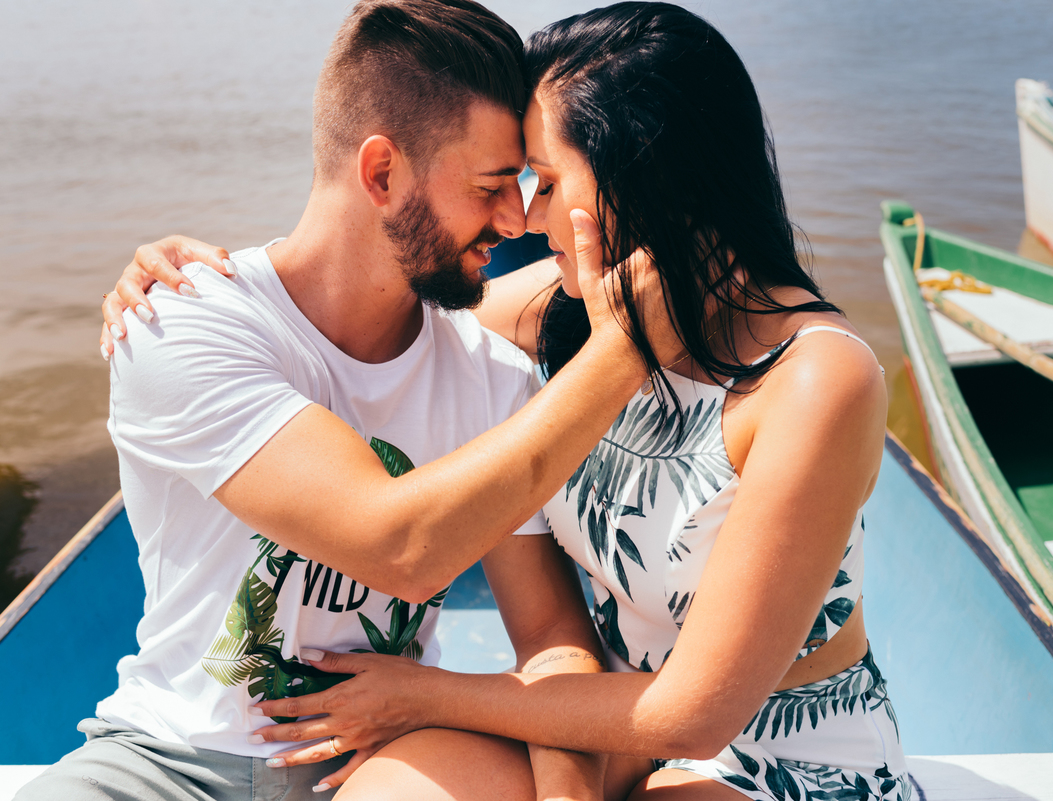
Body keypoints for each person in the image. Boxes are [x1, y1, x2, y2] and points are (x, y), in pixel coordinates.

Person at [102, 4, 913, 801]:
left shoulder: (814, 377)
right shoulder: (563, 310)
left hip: (771, 754)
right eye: (512, 181)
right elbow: (367, 305)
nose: (524, 215)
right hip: (608, 734)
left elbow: (690, 715)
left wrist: (424, 694)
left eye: (546, 182)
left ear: (644, 181)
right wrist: (182, 290)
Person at [28, 2, 663, 800]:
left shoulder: (495, 380)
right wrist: (624, 353)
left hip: (387, 759)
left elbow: (550, 640)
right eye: (491, 186)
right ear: (381, 174)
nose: (516, 219)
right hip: (166, 762)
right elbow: (397, 544)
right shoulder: (179, 322)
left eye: (525, 184)